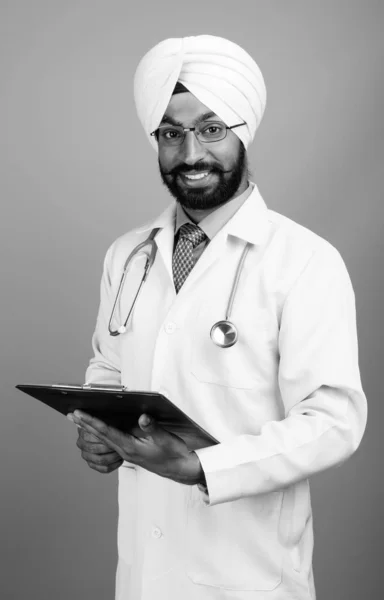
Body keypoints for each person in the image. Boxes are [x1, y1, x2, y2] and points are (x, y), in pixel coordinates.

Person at [70, 35, 367, 600]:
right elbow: (108, 369)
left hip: (249, 577)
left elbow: (334, 421)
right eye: (171, 133)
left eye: (211, 129)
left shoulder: (304, 260)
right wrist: (97, 431)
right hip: (141, 575)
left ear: (241, 132)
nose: (190, 155)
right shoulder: (127, 255)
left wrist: (205, 468)